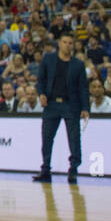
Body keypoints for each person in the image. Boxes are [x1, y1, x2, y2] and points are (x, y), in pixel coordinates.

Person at [34, 33, 89, 184]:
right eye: (65, 42)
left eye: (70, 43)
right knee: (46, 138)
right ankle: (45, 169)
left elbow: (83, 87)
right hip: (51, 104)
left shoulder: (78, 64)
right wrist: (41, 94)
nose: (67, 45)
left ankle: (73, 170)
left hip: (71, 104)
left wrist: (85, 107)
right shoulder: (48, 59)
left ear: (73, 45)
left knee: (74, 139)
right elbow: (40, 81)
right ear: (59, 43)